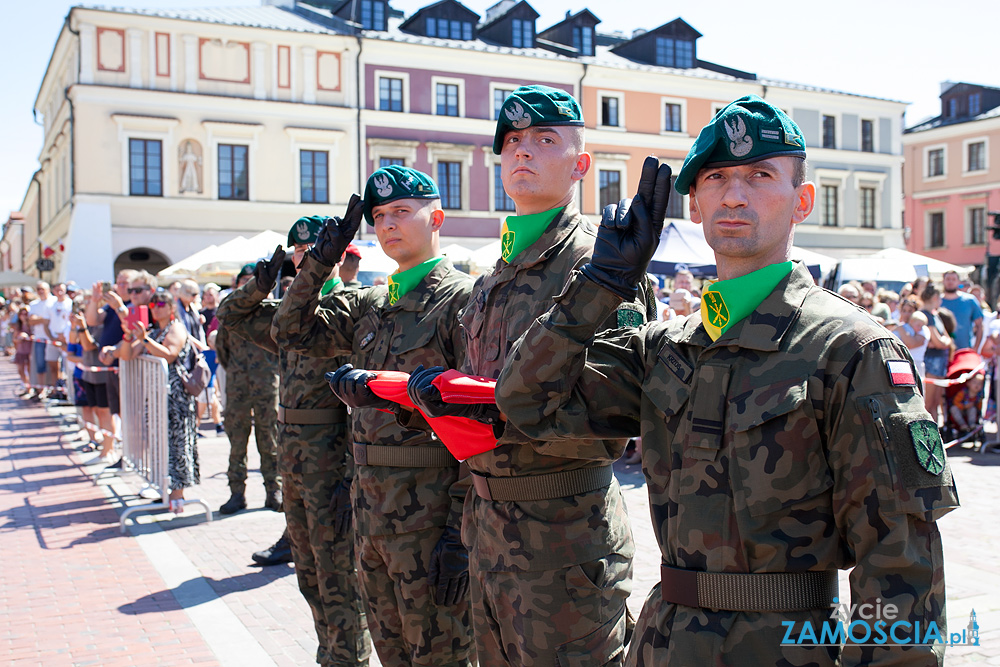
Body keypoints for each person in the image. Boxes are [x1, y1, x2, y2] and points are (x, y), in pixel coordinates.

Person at [496, 95, 958, 666]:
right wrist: (601, 282)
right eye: (716, 178)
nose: (734, 195)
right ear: (694, 204)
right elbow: (525, 401)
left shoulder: (848, 349)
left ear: (802, 201)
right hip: (665, 643)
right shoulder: (664, 348)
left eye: (760, 176)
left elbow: (899, 565)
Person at [405, 85, 659, 666]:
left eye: (546, 140)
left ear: (581, 164)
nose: (524, 151)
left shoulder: (602, 265)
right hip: (488, 530)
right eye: (513, 141)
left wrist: (496, 411)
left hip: (563, 541)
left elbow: (609, 425)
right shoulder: (495, 274)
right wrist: (441, 407)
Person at [274, 167, 476, 667]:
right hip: (371, 514)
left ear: (437, 219)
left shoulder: (465, 301)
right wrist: (322, 256)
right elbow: (289, 329)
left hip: (429, 517)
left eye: (402, 212)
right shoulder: (371, 303)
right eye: (379, 216)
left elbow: (480, 425)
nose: (388, 224)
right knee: (389, 652)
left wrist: (460, 533)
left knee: (440, 654)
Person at [217, 217, 371, 667]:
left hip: (334, 457)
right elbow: (230, 316)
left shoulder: (353, 306)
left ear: (335, 253)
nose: (304, 260)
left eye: (313, 250)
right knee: (309, 574)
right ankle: (330, 655)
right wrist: (260, 283)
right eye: (298, 253)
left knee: (339, 573)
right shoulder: (286, 313)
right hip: (295, 457)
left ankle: (349, 659)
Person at [117, 287, 200, 513]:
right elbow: (126, 354)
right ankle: (164, 490)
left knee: (177, 445)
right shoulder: (152, 331)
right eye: (152, 305)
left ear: (172, 308)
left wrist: (144, 339)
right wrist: (128, 335)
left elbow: (170, 353)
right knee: (158, 444)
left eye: (161, 304)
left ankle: (177, 496)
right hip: (156, 397)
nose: (155, 308)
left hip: (175, 398)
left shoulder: (177, 328)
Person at [215, 263, 281, 515]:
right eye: (243, 281)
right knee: (237, 440)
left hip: (267, 384)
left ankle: (273, 490)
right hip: (238, 386)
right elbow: (223, 350)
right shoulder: (230, 315)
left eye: (252, 281)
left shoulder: (271, 313)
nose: (247, 286)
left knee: (270, 439)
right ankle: (236, 493)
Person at [921, 284, 952, 421]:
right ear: (935, 297)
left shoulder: (936, 315)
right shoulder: (925, 316)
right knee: (927, 404)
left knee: (935, 403)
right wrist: (941, 342)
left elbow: (946, 340)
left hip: (939, 362)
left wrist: (941, 342)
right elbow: (939, 342)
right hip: (930, 362)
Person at [26, 281, 56, 396]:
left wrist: (40, 319)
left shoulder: (54, 302)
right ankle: (41, 389)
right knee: (40, 365)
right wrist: (43, 320)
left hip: (53, 338)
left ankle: (55, 389)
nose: (41, 291)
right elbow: (31, 321)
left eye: (43, 288)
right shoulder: (34, 304)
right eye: (38, 289)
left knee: (55, 366)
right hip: (40, 339)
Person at [941, 270, 983, 350]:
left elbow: (980, 325)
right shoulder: (937, 301)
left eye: (953, 279)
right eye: (948, 279)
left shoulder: (970, 300)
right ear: (943, 281)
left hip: (964, 349)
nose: (950, 282)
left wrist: (976, 348)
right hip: (941, 352)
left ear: (958, 282)